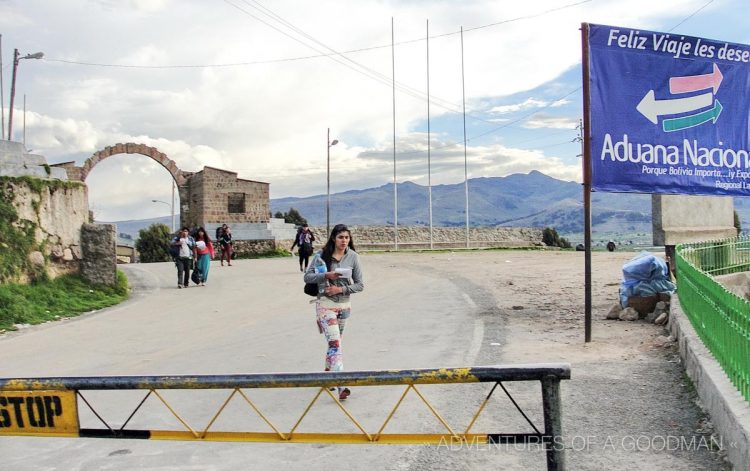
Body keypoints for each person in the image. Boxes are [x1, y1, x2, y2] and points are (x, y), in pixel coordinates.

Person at [303, 224, 364, 401]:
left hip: (344, 307)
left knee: (334, 345)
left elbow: (360, 284)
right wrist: (326, 276)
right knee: (336, 345)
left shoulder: (353, 257)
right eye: (340, 237)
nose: (344, 241)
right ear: (333, 238)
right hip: (325, 305)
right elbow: (307, 277)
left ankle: (327, 377)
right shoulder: (321, 256)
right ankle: (341, 384)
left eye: (346, 237)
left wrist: (341, 290)